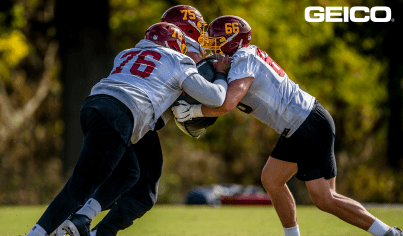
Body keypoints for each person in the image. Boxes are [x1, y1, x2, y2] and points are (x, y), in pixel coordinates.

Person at [172, 15, 403, 236]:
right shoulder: (243, 57)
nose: (214, 48)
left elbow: (228, 103)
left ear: (233, 42)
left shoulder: (243, 58)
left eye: (218, 42)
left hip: (308, 123)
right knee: (272, 179)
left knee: (325, 199)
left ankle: (388, 233)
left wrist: (193, 110)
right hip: (296, 126)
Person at [26, 21, 232, 236]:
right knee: (82, 183)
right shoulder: (178, 59)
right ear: (173, 45)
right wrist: (220, 73)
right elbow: (216, 97)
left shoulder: (125, 54)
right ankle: (38, 233)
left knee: (129, 172)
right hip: (121, 112)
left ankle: (82, 218)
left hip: (93, 105)